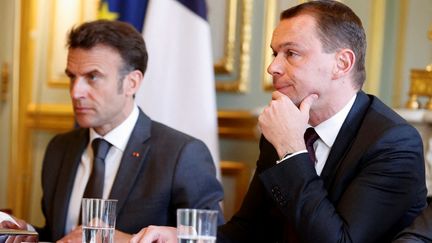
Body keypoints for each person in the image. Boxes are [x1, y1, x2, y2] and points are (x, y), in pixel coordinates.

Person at [130, 1, 427, 242]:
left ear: (342, 63)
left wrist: (291, 149)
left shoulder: (393, 142)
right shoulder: (283, 127)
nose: (272, 67)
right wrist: (184, 237)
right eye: (275, 53)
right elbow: (245, 231)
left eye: (292, 53)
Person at [0, 20, 224, 242]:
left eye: (92, 77)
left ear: (132, 83)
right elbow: (63, 236)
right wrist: (27, 233)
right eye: (72, 77)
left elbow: (210, 239)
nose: (76, 92)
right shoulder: (60, 148)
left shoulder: (181, 154)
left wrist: (122, 240)